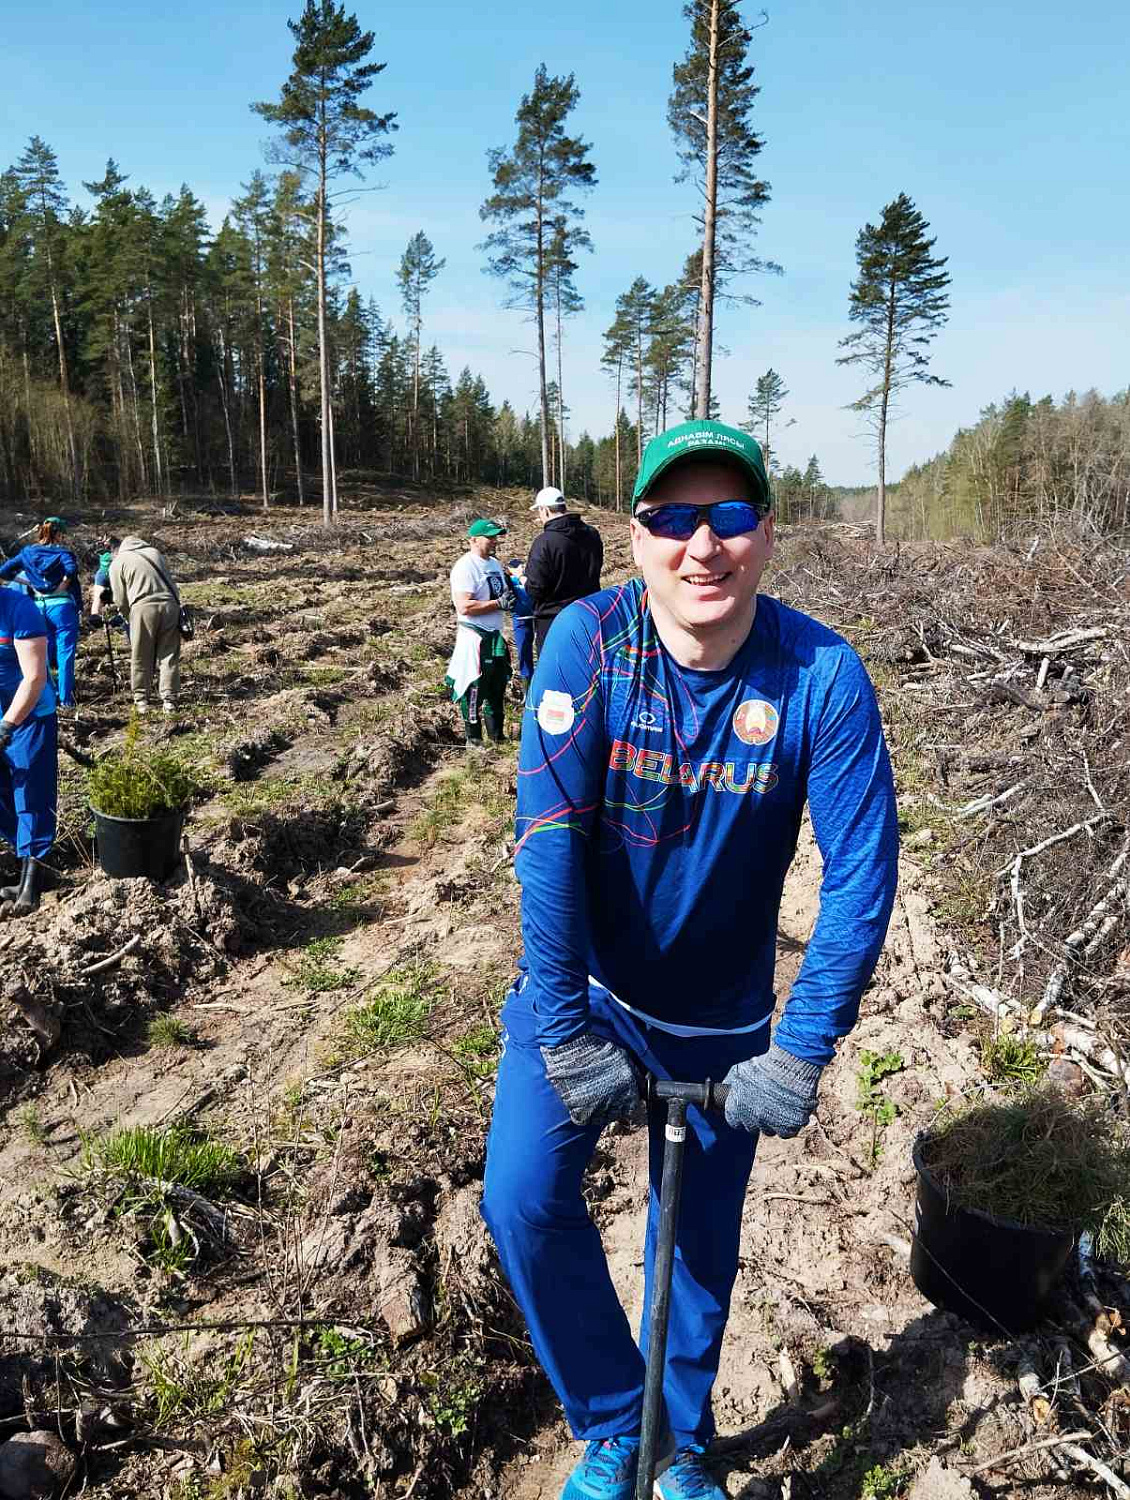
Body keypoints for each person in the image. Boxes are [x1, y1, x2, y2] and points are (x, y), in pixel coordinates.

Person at [481, 419, 899, 1500]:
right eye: (671, 519)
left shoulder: (820, 675)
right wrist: (565, 1026)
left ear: (765, 531)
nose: (699, 546)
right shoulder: (589, 643)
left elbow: (857, 875)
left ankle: (681, 1444)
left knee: (696, 1242)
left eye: (726, 517)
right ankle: (619, 1421)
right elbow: (550, 840)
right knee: (522, 1198)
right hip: (584, 991)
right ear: (635, 538)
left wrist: (800, 1049)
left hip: (717, 1017)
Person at [0, 585, 58, 914]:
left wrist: (6, 726)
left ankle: (32, 882)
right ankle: (31, 862)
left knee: (31, 795)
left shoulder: (18, 608)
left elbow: (35, 678)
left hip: (30, 715)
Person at [0, 518, 81, 709]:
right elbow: (71, 569)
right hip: (61, 607)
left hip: (37, 607)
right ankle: (66, 699)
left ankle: (45, 696)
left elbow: (4, 571)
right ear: (59, 534)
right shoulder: (63, 552)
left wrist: (29, 583)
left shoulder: (28, 552)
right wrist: (63, 584)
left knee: (41, 654)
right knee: (65, 652)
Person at [445, 519, 512, 748]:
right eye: (490, 537)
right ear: (473, 540)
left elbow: (501, 594)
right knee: (474, 686)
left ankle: (497, 735)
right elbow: (464, 606)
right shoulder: (465, 567)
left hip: (495, 633)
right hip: (475, 637)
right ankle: (473, 738)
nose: (494, 541)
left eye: (496, 537)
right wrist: (497, 604)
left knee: (497, 684)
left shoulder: (494, 564)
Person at [525, 485, 603, 657]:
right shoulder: (592, 534)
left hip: (553, 623)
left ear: (545, 510)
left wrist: (524, 580)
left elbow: (535, 589)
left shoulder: (544, 542)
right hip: (587, 616)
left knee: (555, 677)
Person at [108, 536, 182, 715]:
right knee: (169, 654)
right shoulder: (155, 553)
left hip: (142, 607)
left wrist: (128, 617)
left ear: (115, 551)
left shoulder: (118, 562)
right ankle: (169, 700)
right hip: (170, 605)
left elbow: (119, 599)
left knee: (141, 654)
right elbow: (171, 582)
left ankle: (141, 700)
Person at [505, 557, 535, 695]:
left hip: (538, 618)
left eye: (523, 565)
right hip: (521, 620)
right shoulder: (510, 581)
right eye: (518, 566)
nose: (522, 568)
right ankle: (527, 692)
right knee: (524, 652)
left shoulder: (529, 579)